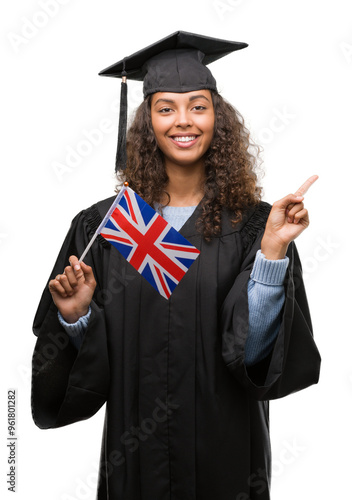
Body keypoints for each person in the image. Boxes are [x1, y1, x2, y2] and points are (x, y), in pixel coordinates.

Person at [31, 31, 321, 500]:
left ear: (217, 119)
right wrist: (78, 315)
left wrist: (271, 256)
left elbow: (256, 358)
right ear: (147, 120)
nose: (183, 121)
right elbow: (95, 372)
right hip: (135, 461)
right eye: (166, 108)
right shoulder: (107, 226)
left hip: (226, 460)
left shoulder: (255, 226)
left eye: (198, 106)